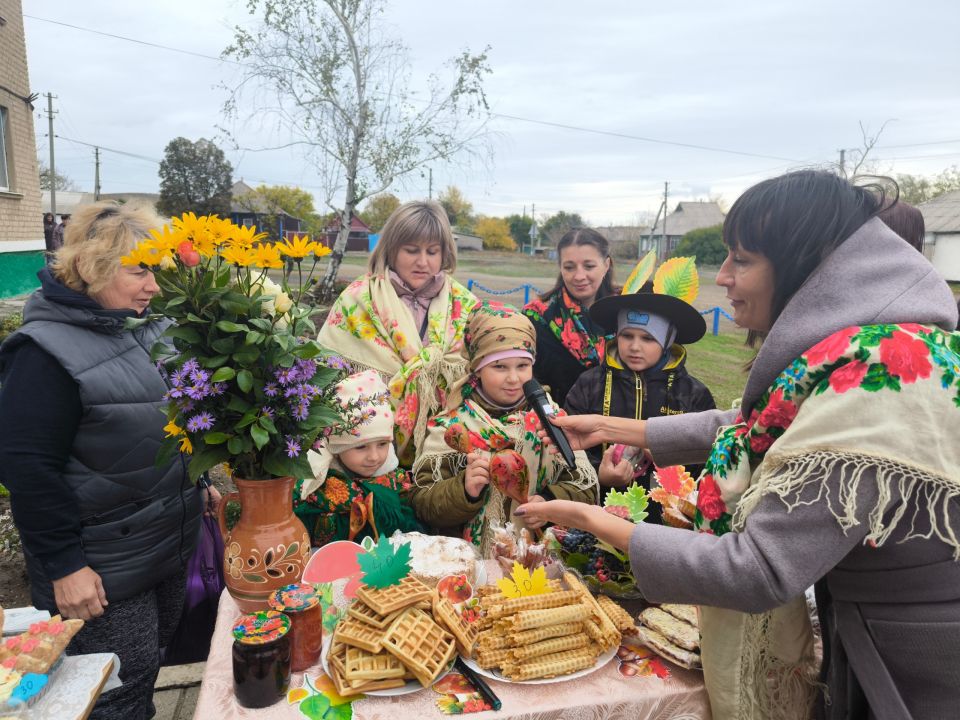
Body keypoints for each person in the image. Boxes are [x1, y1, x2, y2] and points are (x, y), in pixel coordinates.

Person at [515, 171, 960, 720]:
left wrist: (594, 520)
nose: (721, 277)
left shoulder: (882, 374)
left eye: (742, 260)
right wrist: (618, 428)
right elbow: (760, 422)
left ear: (811, 265)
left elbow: (759, 569)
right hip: (879, 632)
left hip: (911, 665)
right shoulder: (872, 349)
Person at [0, 202, 219, 720]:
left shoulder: (145, 329)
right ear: (91, 266)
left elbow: (177, 414)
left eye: (157, 270)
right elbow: (26, 467)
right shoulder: (43, 353)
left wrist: (200, 477)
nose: (153, 286)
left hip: (162, 542)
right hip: (100, 565)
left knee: (147, 669)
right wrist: (64, 566)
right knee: (114, 688)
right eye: (138, 269)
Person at [409, 302, 598, 555]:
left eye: (522, 366)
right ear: (477, 369)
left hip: (538, 560)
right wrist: (464, 490)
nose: (513, 378)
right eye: (499, 367)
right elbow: (422, 503)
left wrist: (549, 503)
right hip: (469, 563)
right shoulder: (452, 425)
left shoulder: (550, 419)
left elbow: (586, 487)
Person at [318, 200, 478, 466]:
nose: (423, 262)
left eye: (433, 252)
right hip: (367, 456)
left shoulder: (466, 306)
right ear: (391, 249)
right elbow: (326, 376)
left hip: (446, 456)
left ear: (445, 254)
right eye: (412, 250)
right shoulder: (357, 299)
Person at [564, 274, 715, 512]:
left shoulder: (692, 394)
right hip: (599, 514)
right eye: (627, 335)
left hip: (664, 520)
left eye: (647, 338)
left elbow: (709, 462)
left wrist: (669, 457)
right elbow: (568, 451)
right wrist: (598, 473)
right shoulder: (589, 384)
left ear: (668, 340)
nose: (635, 347)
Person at [294, 369, 422, 546]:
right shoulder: (314, 489)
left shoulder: (397, 481)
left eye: (383, 444)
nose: (374, 457)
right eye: (361, 447)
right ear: (336, 448)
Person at [523, 227, 616, 405]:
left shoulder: (625, 311)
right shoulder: (537, 318)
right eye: (569, 267)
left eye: (589, 266)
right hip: (557, 423)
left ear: (606, 265)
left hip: (618, 424)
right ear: (560, 267)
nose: (579, 276)